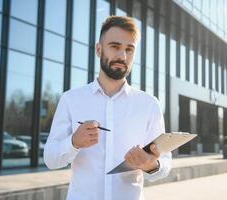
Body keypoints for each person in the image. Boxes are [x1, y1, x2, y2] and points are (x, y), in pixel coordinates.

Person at [44, 16, 172, 200]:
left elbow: (165, 163)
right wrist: (74, 142)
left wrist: (151, 165)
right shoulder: (71, 99)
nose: (122, 56)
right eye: (115, 46)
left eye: (129, 49)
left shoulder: (149, 104)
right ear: (98, 49)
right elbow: (50, 159)